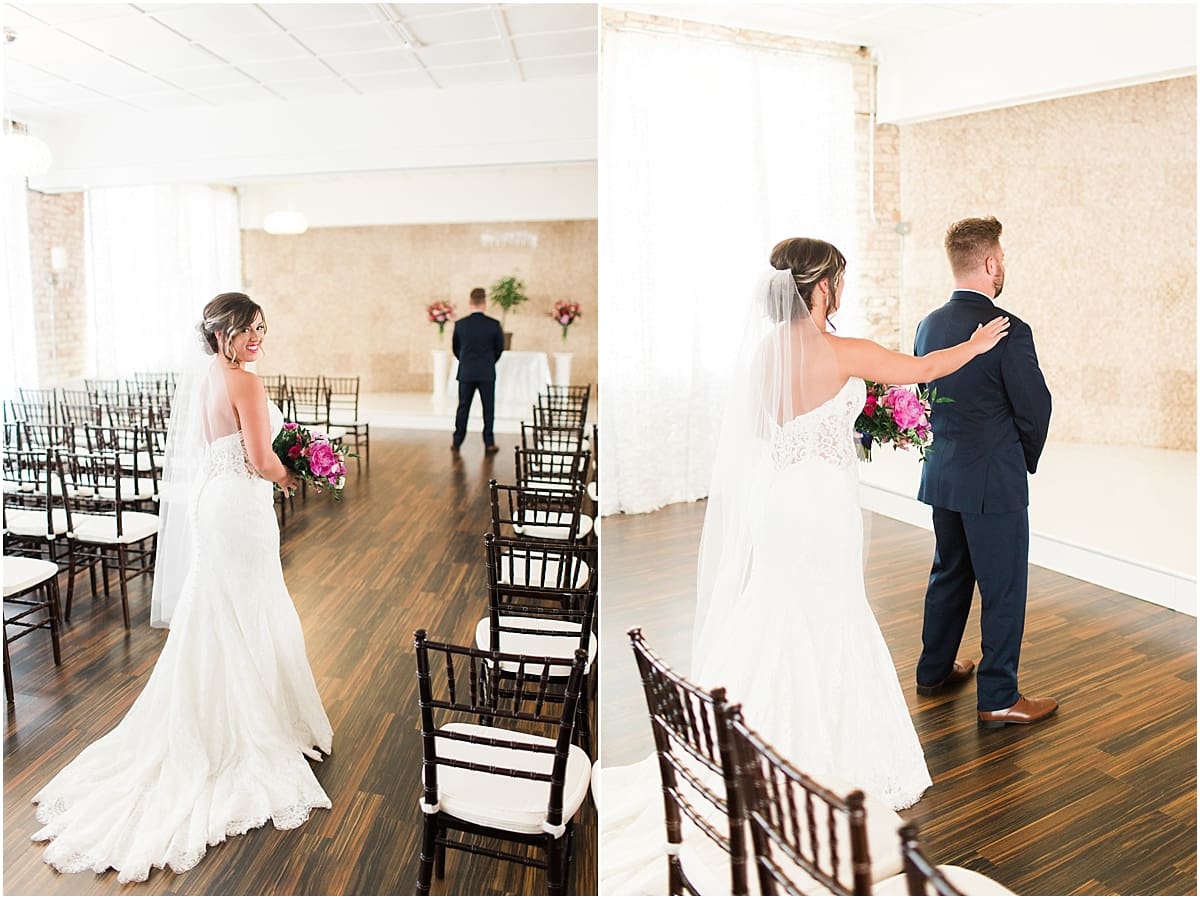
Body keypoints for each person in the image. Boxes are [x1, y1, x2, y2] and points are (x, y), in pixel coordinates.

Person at [32, 293, 334, 883]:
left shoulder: (206, 381)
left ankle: (217, 709)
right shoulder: (245, 382)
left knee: (221, 605)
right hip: (241, 507)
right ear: (223, 333)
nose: (258, 339)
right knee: (246, 604)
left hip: (213, 504)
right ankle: (246, 723)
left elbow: (222, 450)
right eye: (249, 329)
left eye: (262, 329)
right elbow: (259, 457)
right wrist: (299, 472)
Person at [913, 217, 1056, 728]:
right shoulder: (1011, 330)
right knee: (1003, 585)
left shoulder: (928, 325)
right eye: (1003, 258)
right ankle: (998, 696)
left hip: (944, 474)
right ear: (991, 262)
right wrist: (1022, 459)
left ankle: (934, 670)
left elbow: (927, 397)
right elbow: (1034, 408)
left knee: (949, 572)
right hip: (993, 478)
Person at [451, 286, 505, 454]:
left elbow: (456, 348)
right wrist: (489, 362)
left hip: (466, 372)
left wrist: (466, 361)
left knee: (463, 407)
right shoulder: (494, 325)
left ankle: (457, 441)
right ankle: (489, 443)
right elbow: (499, 348)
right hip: (486, 373)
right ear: (484, 303)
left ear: (470, 302)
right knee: (488, 408)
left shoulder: (460, 325)